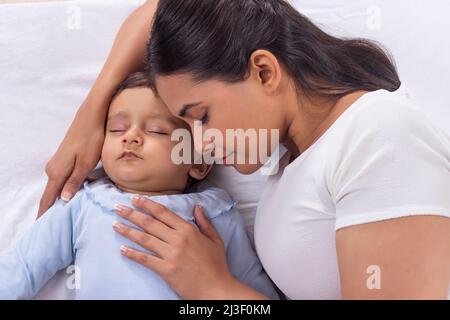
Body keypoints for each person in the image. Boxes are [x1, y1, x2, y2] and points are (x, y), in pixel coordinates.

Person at [38, 0, 450, 299]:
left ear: (265, 71)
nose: (197, 143)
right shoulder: (290, 155)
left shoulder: (379, 133)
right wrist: (90, 114)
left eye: (201, 117)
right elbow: (161, 14)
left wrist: (213, 288)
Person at [0, 72, 278, 299]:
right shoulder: (83, 204)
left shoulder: (215, 215)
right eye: (117, 129)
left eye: (157, 130)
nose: (130, 137)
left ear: (199, 161)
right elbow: (21, 267)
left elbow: (254, 293)